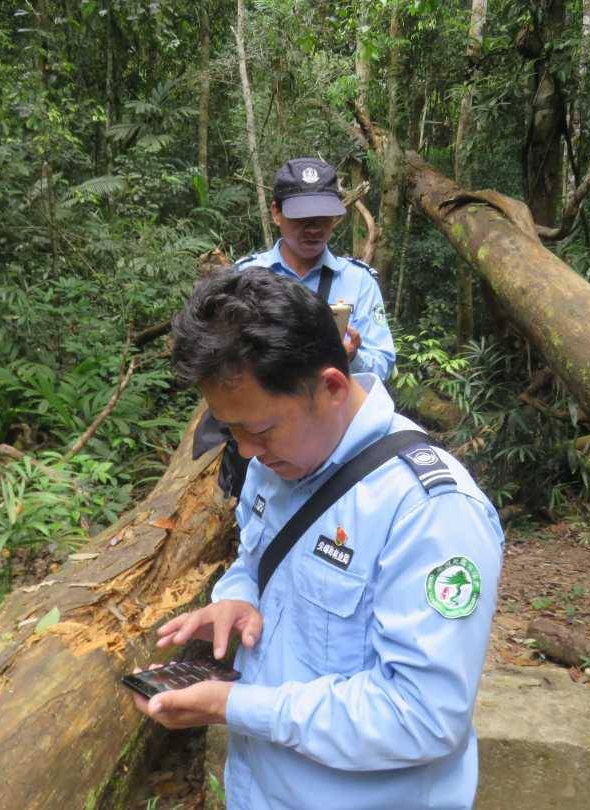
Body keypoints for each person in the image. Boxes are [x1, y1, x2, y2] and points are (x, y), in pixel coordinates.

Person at [131, 268, 503, 810]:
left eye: (258, 431)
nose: (246, 450)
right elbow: (257, 556)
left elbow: (422, 715)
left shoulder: (429, 511)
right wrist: (238, 595)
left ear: (330, 386)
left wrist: (234, 706)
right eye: (230, 430)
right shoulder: (276, 458)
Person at [234, 156, 395, 381]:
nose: (313, 229)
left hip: (331, 412)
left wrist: (351, 358)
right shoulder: (246, 276)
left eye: (322, 218)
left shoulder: (358, 281)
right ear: (276, 213)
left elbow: (383, 364)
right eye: (302, 217)